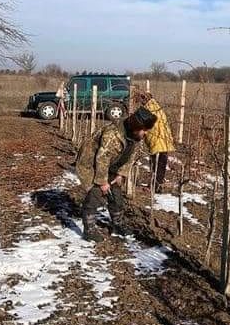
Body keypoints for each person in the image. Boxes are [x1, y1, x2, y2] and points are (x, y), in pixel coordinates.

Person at [75, 106, 157, 242]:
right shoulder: (112, 135)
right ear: (136, 126)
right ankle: (88, 230)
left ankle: (117, 224)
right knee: (94, 196)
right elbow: (102, 158)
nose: (146, 133)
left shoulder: (134, 136)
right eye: (144, 130)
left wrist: (121, 173)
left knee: (116, 197)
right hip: (91, 163)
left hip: (112, 164)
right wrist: (102, 182)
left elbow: (130, 156)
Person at [138, 90, 175, 190]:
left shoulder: (148, 109)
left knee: (156, 165)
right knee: (161, 165)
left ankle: (155, 187)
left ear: (144, 99)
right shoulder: (157, 107)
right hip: (164, 140)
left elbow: (144, 125)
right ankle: (157, 185)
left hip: (157, 141)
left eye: (141, 99)